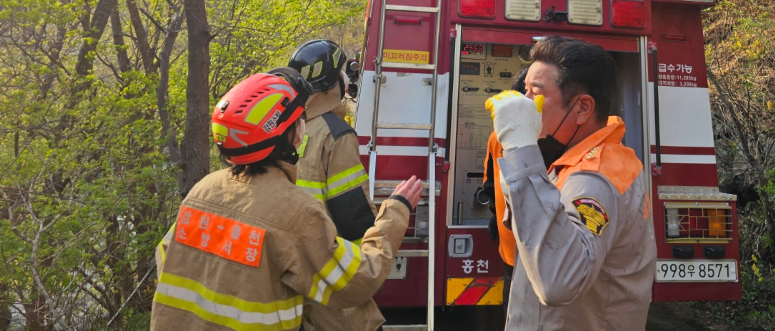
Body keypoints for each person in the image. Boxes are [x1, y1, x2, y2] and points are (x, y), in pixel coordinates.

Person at [151, 68, 422, 331]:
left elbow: (167, 259)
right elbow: (358, 281)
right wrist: (396, 211)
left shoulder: (203, 190)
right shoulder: (296, 211)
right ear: (286, 134)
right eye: (298, 119)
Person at [485, 37, 654, 331]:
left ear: (581, 108)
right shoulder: (570, 159)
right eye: (524, 91)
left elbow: (558, 282)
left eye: (535, 95)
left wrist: (520, 151)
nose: (524, 105)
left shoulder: (593, 178)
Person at [289, 39, 376, 241]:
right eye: (339, 73)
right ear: (329, 83)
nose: (344, 78)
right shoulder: (337, 134)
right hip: (323, 253)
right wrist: (370, 256)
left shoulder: (285, 124)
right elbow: (352, 211)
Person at [481, 68, 527, 313]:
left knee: (516, 312)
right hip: (545, 252)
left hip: (511, 246)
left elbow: (490, 183)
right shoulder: (558, 136)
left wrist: (494, 214)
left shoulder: (497, 136)